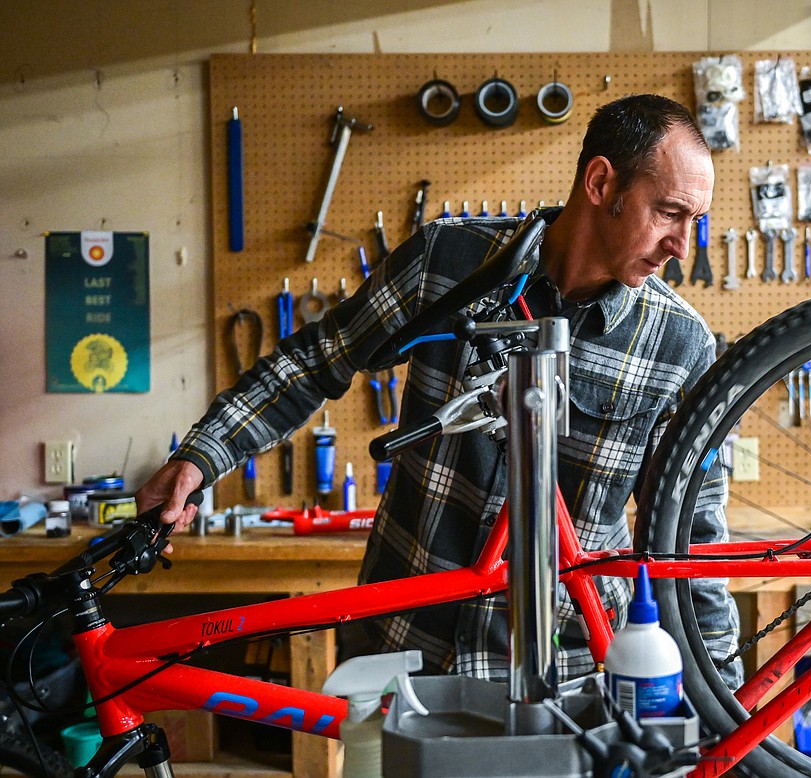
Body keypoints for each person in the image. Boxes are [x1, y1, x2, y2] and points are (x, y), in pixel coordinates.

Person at [136, 93, 740, 682]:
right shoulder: (448, 262)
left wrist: (727, 707)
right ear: (602, 183)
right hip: (402, 647)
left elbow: (692, 541)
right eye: (669, 212)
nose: (682, 248)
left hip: (567, 669)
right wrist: (202, 455)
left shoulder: (680, 346)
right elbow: (317, 360)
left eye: (696, 222)